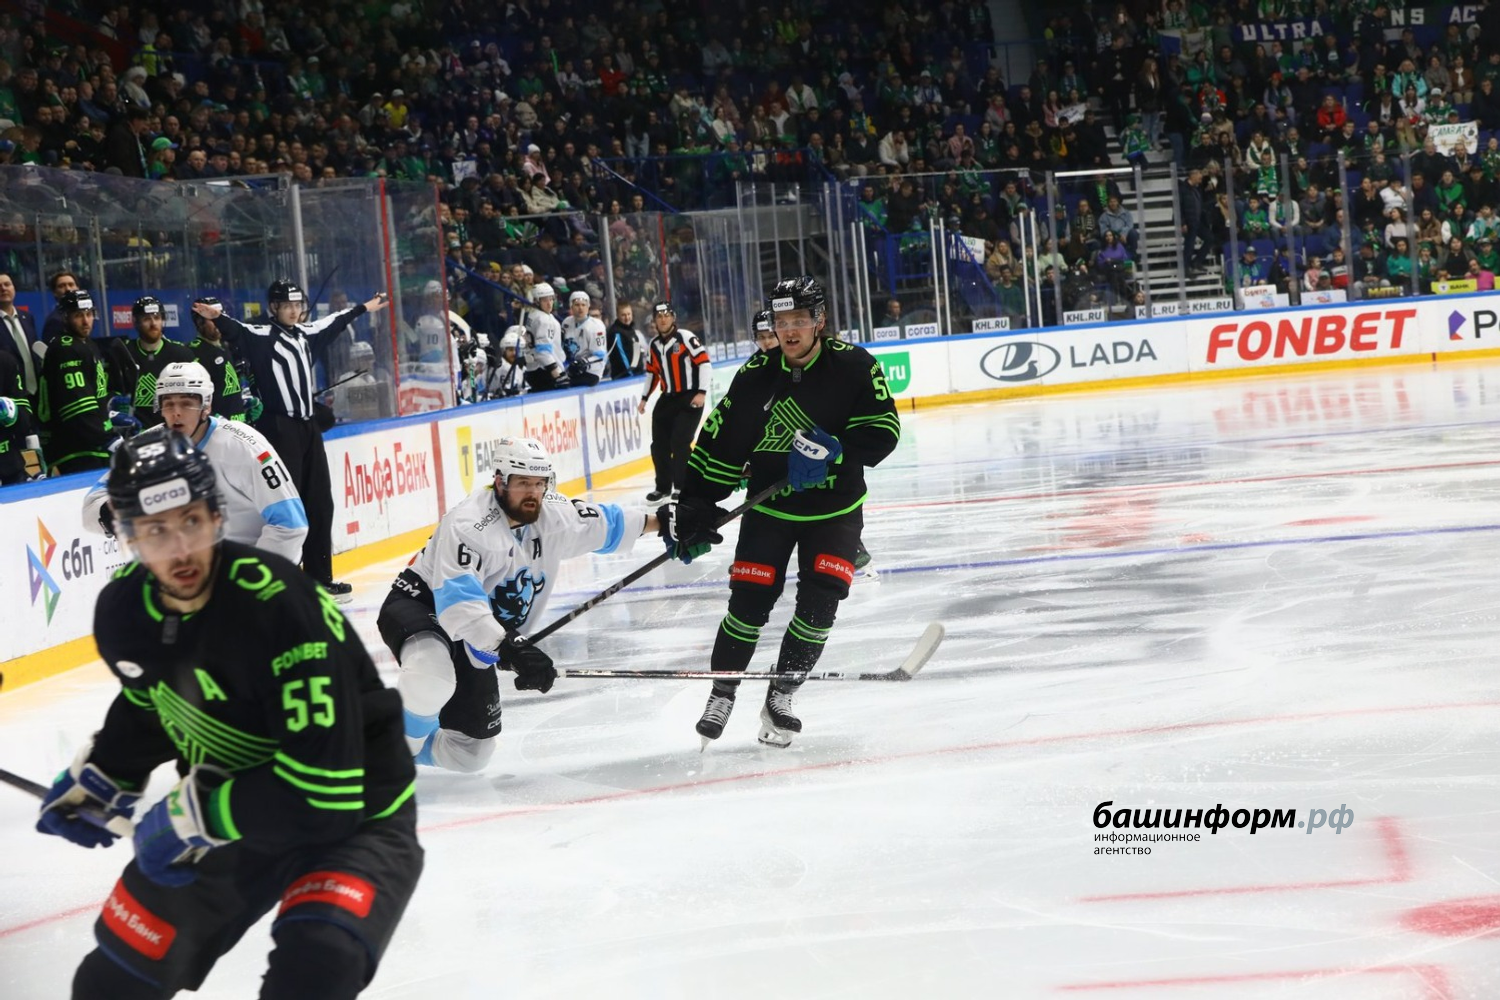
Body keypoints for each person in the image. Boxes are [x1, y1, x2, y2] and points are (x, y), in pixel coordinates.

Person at [37, 429, 421, 999]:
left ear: (217, 517)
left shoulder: (279, 604)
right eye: (155, 531)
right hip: (232, 807)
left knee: (318, 963)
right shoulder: (124, 612)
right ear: (128, 537)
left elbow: (325, 792)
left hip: (356, 815)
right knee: (110, 984)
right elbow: (151, 701)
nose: (179, 550)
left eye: (190, 522)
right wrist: (104, 774)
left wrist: (192, 817)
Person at [669, 276, 900, 748]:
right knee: (748, 604)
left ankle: (781, 694)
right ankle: (722, 693)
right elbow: (719, 443)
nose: (789, 330)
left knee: (819, 607)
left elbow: (885, 429)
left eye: (799, 319)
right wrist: (697, 505)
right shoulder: (756, 375)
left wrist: (837, 450)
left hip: (835, 511)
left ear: (819, 321)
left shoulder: (855, 366)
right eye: (781, 321)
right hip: (770, 510)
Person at [376, 436, 661, 773]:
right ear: (500, 481)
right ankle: (385, 755)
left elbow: (604, 523)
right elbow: (459, 601)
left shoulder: (551, 514)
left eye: (539, 484)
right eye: (523, 482)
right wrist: (507, 645)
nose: (532, 492)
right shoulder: (469, 524)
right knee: (432, 677)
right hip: (423, 603)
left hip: (480, 632)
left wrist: (667, 523)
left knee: (469, 755)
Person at [193, 281, 389, 600]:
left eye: (298, 305)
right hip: (279, 428)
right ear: (274, 308)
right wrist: (217, 316)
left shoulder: (306, 334)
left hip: (308, 429)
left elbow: (335, 321)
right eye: (287, 306)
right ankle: (284, 578)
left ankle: (319, 578)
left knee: (320, 502)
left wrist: (364, 308)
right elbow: (237, 329)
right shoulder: (262, 335)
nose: (294, 311)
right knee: (286, 504)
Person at [81, 363, 308, 561]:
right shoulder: (145, 448)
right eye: (168, 404)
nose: (176, 413)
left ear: (206, 406)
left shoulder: (242, 446)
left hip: (256, 568)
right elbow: (92, 506)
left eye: (186, 403)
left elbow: (291, 524)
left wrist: (250, 579)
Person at [37, 288, 117, 474]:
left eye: (89, 314)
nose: (86, 321)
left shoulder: (87, 344)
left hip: (91, 444)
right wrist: (107, 438)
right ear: (65, 317)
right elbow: (78, 407)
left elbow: (93, 394)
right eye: (78, 315)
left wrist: (110, 415)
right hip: (75, 449)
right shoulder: (65, 348)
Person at [638, 301, 710, 503]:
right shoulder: (654, 345)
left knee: (680, 442)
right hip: (667, 398)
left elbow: (704, 364)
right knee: (658, 445)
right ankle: (663, 487)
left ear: (673, 317)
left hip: (689, 397)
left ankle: (682, 486)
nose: (663, 320)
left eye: (666, 315)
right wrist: (644, 398)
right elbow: (652, 373)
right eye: (659, 316)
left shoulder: (686, 338)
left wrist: (702, 392)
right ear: (654, 320)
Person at [105, 296, 197, 429]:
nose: (153, 323)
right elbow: (109, 391)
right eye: (147, 319)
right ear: (136, 322)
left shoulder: (182, 354)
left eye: (157, 318)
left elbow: (195, 394)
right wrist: (114, 402)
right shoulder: (122, 353)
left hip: (173, 431)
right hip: (135, 432)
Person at [185, 296, 245, 421]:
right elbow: (192, 397)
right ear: (199, 322)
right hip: (215, 428)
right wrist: (211, 417)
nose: (218, 323)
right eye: (212, 319)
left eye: (219, 317)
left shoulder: (228, 346)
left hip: (237, 426)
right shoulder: (193, 353)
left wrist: (244, 407)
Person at [521, 281, 568, 390]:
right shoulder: (544, 320)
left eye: (551, 299)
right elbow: (543, 350)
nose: (549, 303)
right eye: (545, 300)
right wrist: (555, 371)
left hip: (533, 368)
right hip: (545, 370)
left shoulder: (533, 315)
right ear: (537, 301)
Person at [560, 291, 607, 385]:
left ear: (588, 306)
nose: (580, 308)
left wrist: (582, 364)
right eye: (577, 305)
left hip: (591, 372)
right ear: (571, 306)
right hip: (571, 369)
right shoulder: (566, 322)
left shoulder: (596, 326)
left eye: (583, 305)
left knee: (565, 384)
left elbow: (600, 356)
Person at [607, 300, 645, 379]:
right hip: (625, 378)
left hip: (638, 375)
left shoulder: (631, 330)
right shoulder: (616, 332)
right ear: (617, 315)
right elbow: (622, 356)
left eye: (629, 314)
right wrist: (631, 374)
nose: (627, 318)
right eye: (623, 315)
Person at [487, 326, 527, 397]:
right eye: (511, 350)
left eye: (517, 350)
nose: (514, 353)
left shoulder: (520, 367)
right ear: (504, 351)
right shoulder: (498, 367)